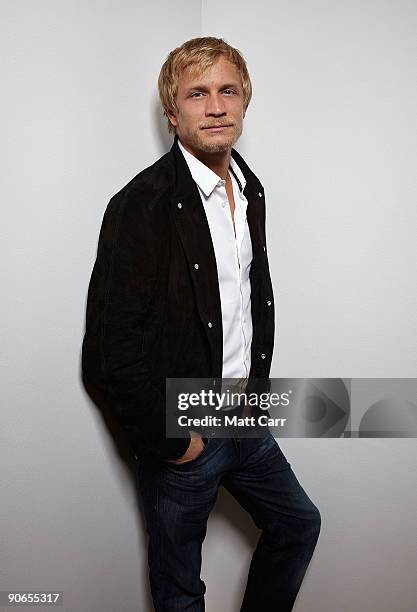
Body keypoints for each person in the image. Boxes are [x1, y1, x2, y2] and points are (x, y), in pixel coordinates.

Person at [82, 36, 321, 612]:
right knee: (180, 589)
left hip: (242, 413)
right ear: (173, 112)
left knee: (298, 526)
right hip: (182, 426)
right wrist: (172, 440)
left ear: (244, 102)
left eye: (227, 90)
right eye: (197, 94)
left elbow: (244, 300)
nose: (215, 106)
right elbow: (108, 351)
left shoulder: (248, 186)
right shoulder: (140, 206)